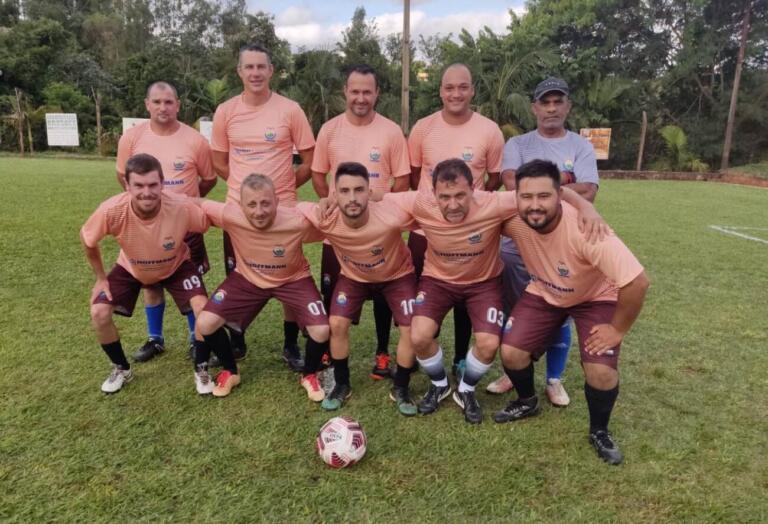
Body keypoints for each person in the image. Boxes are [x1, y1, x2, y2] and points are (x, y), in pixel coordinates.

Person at [384, 158, 606, 424]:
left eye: (460, 196)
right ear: (433, 193)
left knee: (489, 345)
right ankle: (440, 384)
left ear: (474, 189)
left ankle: (465, 390)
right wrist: (331, 200)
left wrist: (585, 207)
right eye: (444, 197)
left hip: (483, 283)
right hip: (437, 281)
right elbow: (375, 195)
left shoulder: (494, 202)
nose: (452, 204)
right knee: (419, 336)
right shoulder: (420, 202)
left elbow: (547, 191)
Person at [495, 159, 649, 465]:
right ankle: (527, 401)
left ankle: (599, 431)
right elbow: (467, 203)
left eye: (544, 196)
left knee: (601, 371)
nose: (534, 205)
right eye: (526, 197)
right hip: (545, 292)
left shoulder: (587, 230)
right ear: (515, 197)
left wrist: (616, 329)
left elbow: (637, 282)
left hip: (595, 297)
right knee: (511, 352)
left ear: (559, 195)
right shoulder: (511, 212)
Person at [486, 77, 600, 406]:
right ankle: (513, 371)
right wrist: (565, 181)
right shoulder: (518, 144)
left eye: (557, 101)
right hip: (519, 243)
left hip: (566, 243)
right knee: (515, 307)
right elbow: (511, 185)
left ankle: (554, 379)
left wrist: (540, 188)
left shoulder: (580, 146)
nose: (551, 108)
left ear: (568, 106)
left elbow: (589, 191)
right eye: (544, 102)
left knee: (560, 307)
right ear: (534, 107)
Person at [211, 43, 315, 370]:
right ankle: (236, 342)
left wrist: (282, 191)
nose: (255, 73)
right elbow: (218, 160)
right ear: (239, 71)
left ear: (271, 71)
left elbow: (309, 160)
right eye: (249, 67)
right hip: (240, 214)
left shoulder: (290, 110)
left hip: (283, 212)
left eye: (261, 67)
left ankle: (290, 344)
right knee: (238, 273)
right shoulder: (226, 111)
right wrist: (246, 196)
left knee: (289, 274)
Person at [311, 64, 411, 380]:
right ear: (346, 92)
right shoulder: (329, 129)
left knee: (382, 291)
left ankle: (382, 352)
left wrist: (382, 209)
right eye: (355, 91)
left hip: (379, 232)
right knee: (333, 289)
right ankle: (329, 348)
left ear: (377, 93)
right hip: (340, 232)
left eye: (367, 91)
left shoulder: (391, 131)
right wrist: (333, 202)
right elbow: (317, 174)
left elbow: (404, 179)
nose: (361, 97)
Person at [81, 154, 211, 394]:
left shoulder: (179, 206)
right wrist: (101, 278)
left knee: (203, 308)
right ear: (127, 185)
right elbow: (88, 239)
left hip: (176, 265)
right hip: (131, 267)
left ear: (162, 183)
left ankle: (201, 368)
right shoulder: (112, 210)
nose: (146, 192)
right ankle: (121, 368)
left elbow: (211, 217)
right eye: (139, 185)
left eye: (153, 185)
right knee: (99, 312)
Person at [407, 63, 504, 379]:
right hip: (427, 230)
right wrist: (432, 210)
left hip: (470, 231)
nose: (456, 93)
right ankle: (425, 354)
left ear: (472, 89)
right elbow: (412, 174)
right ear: (440, 91)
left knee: (467, 293)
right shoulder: (423, 128)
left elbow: (496, 177)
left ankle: (463, 357)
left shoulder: (489, 130)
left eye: (463, 87)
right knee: (430, 293)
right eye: (449, 87)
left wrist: (474, 210)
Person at [193, 174, 329, 399]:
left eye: (265, 203)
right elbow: (196, 203)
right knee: (206, 323)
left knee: (321, 330)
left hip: (293, 279)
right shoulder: (230, 215)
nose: (259, 211)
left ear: (277, 201)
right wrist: (166, 199)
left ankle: (309, 374)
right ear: (240, 205)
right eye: (252, 204)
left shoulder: (297, 220)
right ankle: (230, 371)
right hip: (247, 279)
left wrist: (323, 204)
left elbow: (333, 223)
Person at [299, 162, 418, 415]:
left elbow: (426, 202)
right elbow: (293, 209)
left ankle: (401, 387)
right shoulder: (326, 217)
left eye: (359, 190)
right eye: (344, 191)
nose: (352, 198)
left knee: (411, 328)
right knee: (337, 324)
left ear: (369, 192)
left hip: (397, 275)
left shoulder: (391, 214)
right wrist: (322, 202)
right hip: (354, 277)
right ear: (335, 193)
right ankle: (342, 383)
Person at [115, 81, 217, 363]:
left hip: (184, 226)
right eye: (157, 102)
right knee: (150, 281)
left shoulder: (195, 140)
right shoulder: (132, 139)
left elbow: (208, 179)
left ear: (178, 105)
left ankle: (195, 339)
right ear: (147, 104)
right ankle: (155, 338)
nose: (163, 107)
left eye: (169, 102)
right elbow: (123, 178)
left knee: (191, 283)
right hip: (145, 225)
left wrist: (184, 206)